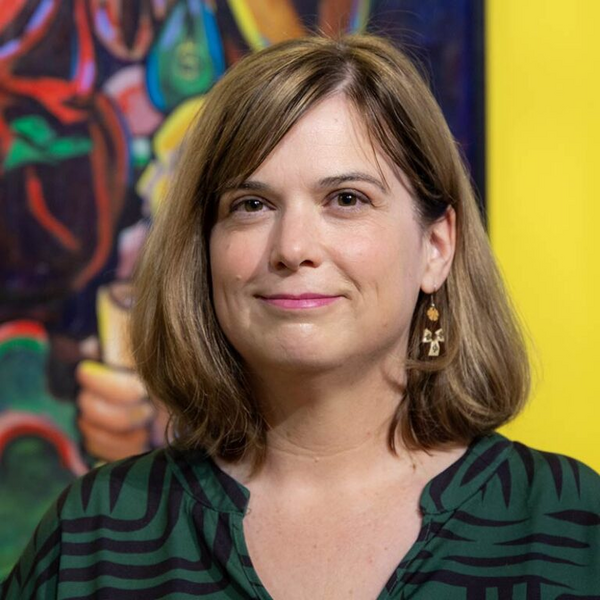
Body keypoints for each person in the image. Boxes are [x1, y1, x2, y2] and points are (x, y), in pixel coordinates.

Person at [1, 34, 599, 600]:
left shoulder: (568, 525)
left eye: (347, 199)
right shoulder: (92, 538)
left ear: (436, 247)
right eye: (252, 205)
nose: (292, 247)